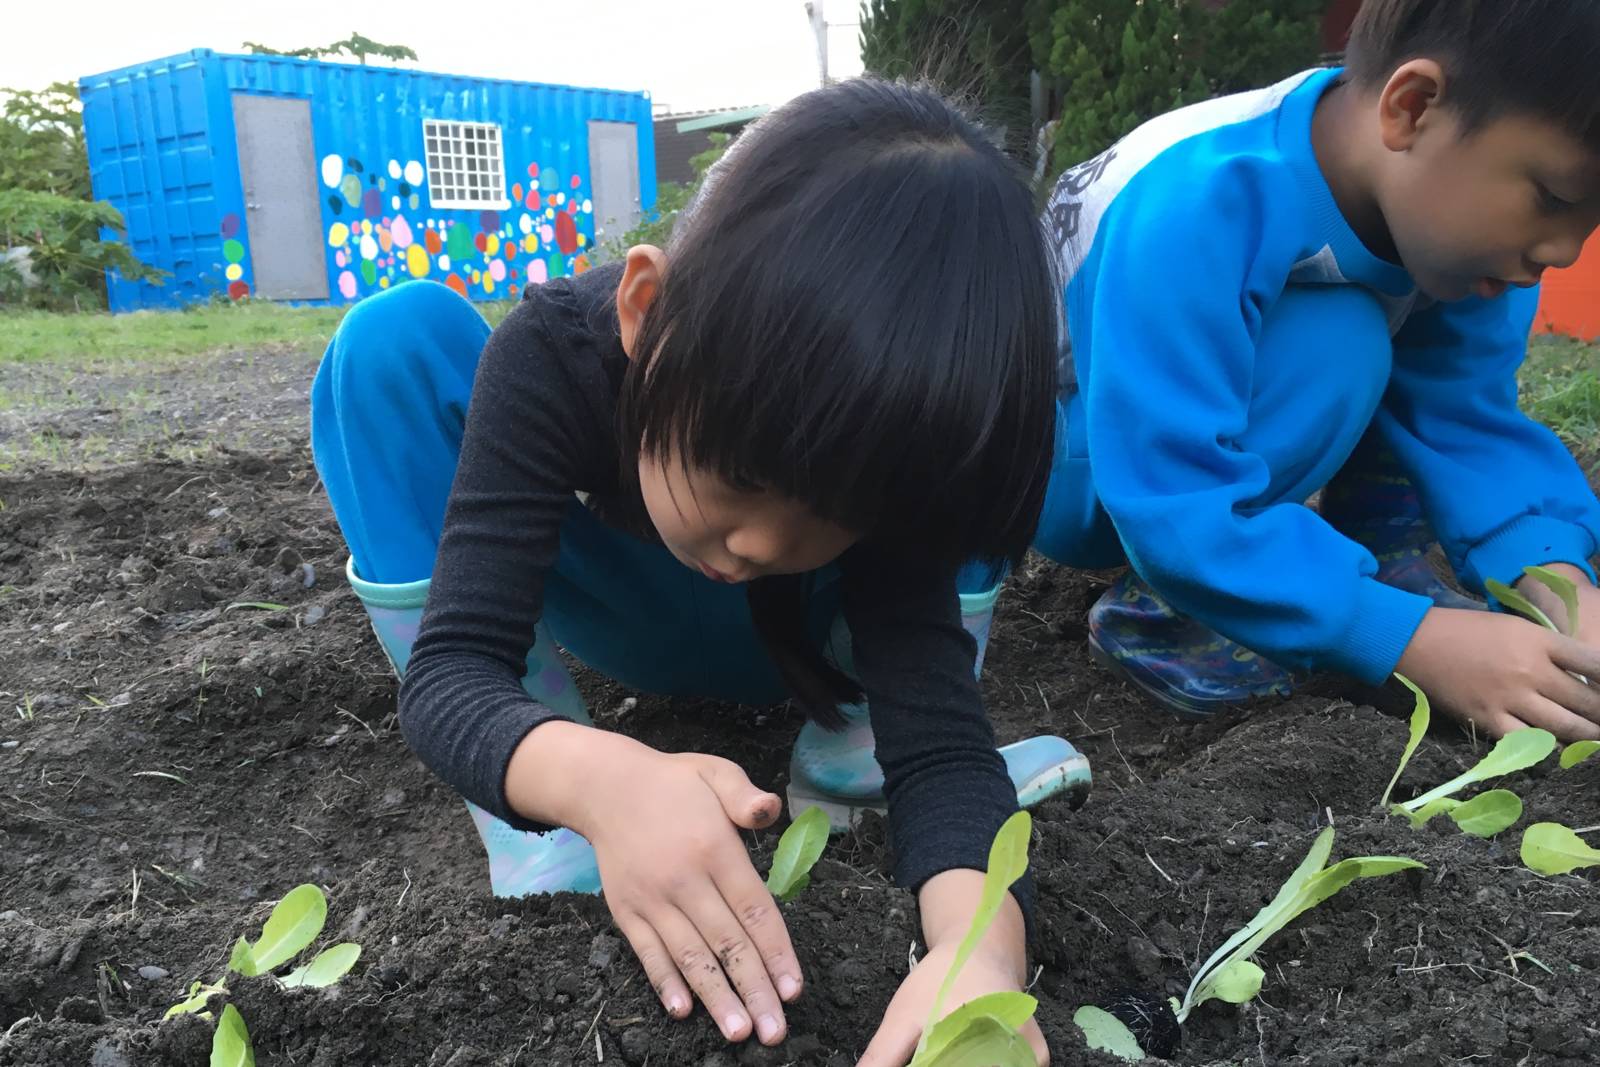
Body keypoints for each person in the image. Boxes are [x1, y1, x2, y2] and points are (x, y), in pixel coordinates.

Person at [312, 78, 1090, 1065]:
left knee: (977, 424)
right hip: (616, 607)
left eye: (830, 515)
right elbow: (451, 672)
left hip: (818, 636)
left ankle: (852, 737)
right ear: (645, 310)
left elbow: (943, 758)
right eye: (743, 475)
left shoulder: (877, 447)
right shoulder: (554, 357)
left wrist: (978, 952)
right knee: (386, 343)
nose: (762, 543)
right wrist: (600, 785)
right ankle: (540, 817)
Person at [1034, 0, 1600, 740]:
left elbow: (1466, 419)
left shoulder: (1464, 232)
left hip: (1170, 447)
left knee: (1399, 338)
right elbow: (1169, 486)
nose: (1563, 252)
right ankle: (1178, 615)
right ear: (1414, 106)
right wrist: (1415, 642)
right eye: (1553, 198)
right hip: (1070, 453)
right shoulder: (1204, 195)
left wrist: (1563, 589)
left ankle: (1380, 563)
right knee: (1343, 341)